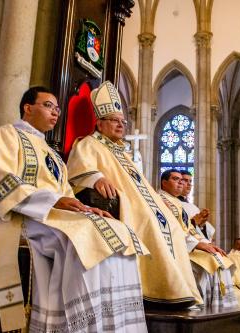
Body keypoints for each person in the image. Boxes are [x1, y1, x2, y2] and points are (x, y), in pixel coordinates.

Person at [0, 86, 147, 332]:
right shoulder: (6, 136)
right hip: (17, 217)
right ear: (27, 108)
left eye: (57, 109)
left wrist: (85, 208)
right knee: (83, 237)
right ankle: (71, 325)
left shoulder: (52, 154)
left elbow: (66, 194)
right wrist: (53, 201)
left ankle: (111, 325)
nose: (55, 113)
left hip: (53, 217)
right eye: (48, 106)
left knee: (117, 230)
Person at [66, 81, 202, 307]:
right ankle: (156, 291)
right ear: (99, 123)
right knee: (148, 220)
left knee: (172, 225)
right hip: (125, 204)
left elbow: (144, 186)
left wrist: (159, 201)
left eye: (123, 121)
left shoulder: (122, 152)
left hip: (139, 203)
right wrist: (96, 178)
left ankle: (178, 288)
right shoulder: (89, 143)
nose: (121, 125)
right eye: (114, 121)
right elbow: (80, 167)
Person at [158, 169, 238, 309]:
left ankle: (218, 309)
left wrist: (207, 243)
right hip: (171, 248)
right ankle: (202, 306)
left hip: (186, 245)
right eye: (176, 179)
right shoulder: (160, 200)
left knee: (218, 258)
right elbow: (169, 229)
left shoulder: (175, 202)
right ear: (164, 183)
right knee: (207, 265)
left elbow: (189, 229)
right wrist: (198, 244)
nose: (181, 184)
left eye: (182, 181)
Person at [178, 170, 215, 241]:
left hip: (198, 241)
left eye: (190, 181)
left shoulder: (193, 207)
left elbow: (203, 232)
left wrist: (202, 224)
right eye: (185, 180)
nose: (189, 184)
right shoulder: (173, 203)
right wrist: (193, 222)